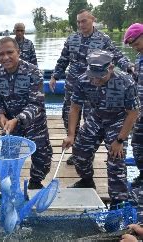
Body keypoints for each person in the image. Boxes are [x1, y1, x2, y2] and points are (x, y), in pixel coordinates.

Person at [50, 9, 132, 165]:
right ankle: (75, 151)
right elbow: (63, 59)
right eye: (79, 22)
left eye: (84, 21)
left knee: (89, 121)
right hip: (73, 85)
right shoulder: (72, 39)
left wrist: (129, 66)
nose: (81, 24)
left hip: (93, 87)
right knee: (69, 117)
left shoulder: (103, 39)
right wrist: (55, 76)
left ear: (92, 20)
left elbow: (117, 55)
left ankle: (86, 155)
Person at [62, 50, 140, 207]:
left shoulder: (126, 82)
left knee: (116, 159)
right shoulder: (83, 80)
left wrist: (119, 140)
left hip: (118, 120)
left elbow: (133, 113)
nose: (95, 80)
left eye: (100, 76)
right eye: (93, 75)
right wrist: (71, 135)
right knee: (79, 152)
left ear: (110, 67)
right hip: (96, 118)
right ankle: (87, 181)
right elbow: (75, 107)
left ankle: (118, 201)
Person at [0, 37, 53, 189]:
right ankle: (8, 186)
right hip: (10, 125)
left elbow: (36, 103)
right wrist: (1, 115)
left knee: (42, 156)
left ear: (18, 52)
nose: (5, 57)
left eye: (10, 52)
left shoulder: (33, 72)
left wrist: (17, 119)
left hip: (34, 122)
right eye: (1, 54)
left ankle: (35, 182)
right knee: (8, 158)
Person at [124, 23, 143, 188]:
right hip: (139, 110)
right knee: (137, 143)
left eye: (137, 44)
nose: (135, 48)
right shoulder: (139, 58)